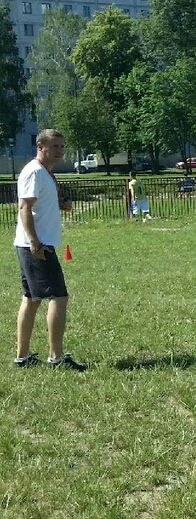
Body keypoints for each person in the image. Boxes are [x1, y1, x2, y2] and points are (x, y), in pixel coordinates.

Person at [13, 129, 86, 370]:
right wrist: (35, 242)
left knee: (31, 299)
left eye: (62, 146)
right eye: (54, 146)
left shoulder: (44, 172)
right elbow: (24, 208)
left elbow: (37, 205)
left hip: (34, 244)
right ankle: (56, 357)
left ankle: (23, 357)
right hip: (38, 246)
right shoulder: (34, 171)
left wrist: (58, 204)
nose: (60, 151)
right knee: (59, 297)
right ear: (40, 146)